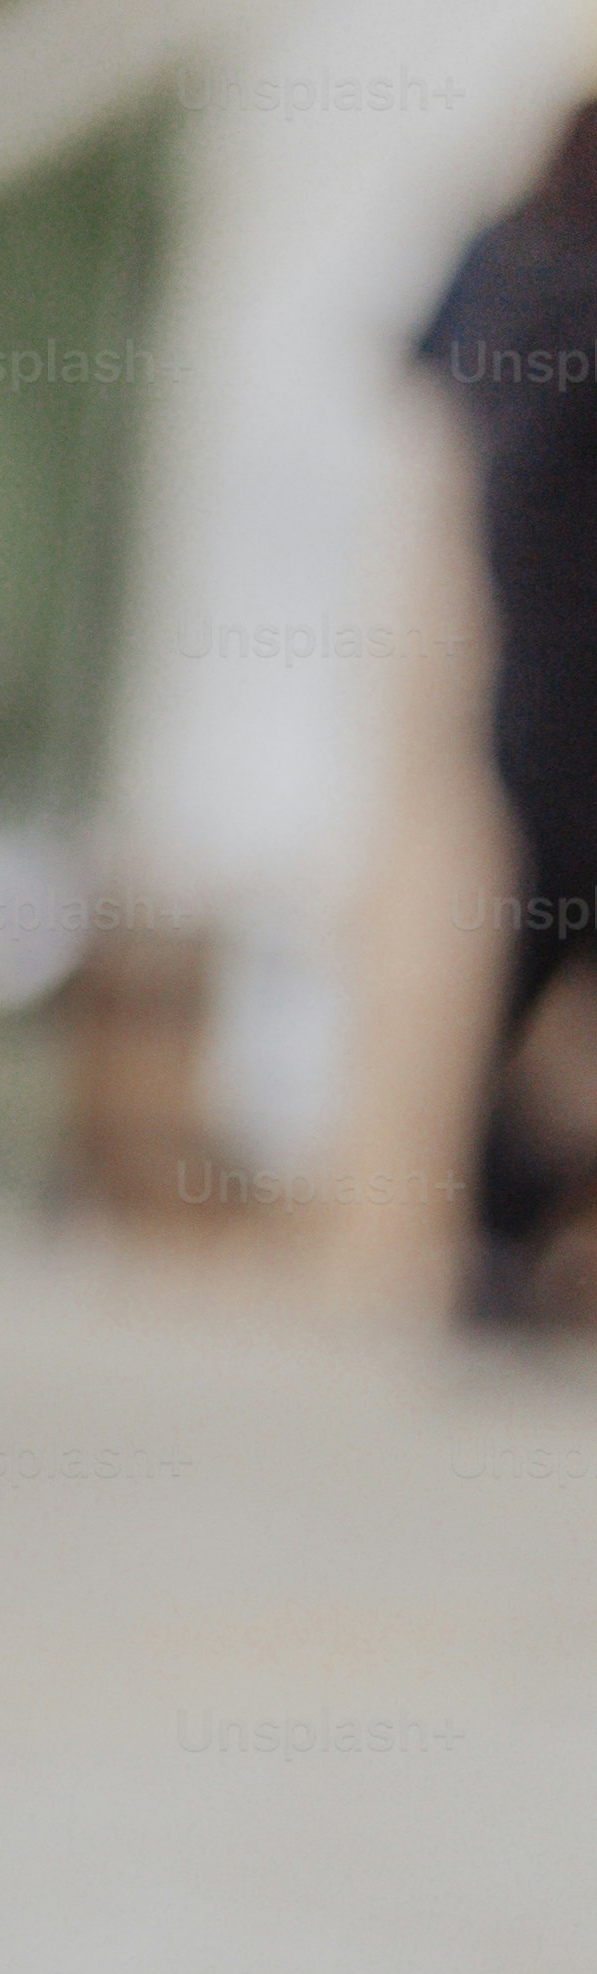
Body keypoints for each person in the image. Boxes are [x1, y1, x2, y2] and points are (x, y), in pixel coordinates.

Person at [424, 101, 597, 1332]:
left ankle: (498, 1245)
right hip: (565, 678)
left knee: (535, 954)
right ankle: (516, 1231)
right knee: (549, 959)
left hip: (524, 682)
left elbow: (427, 391)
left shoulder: (504, 261)